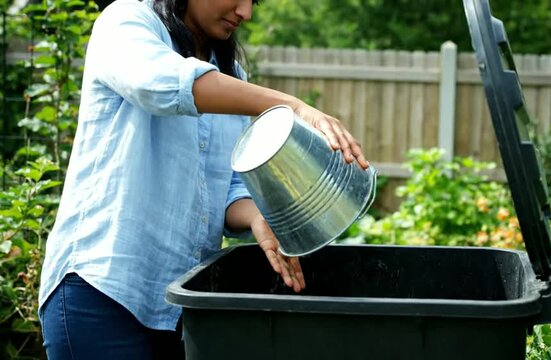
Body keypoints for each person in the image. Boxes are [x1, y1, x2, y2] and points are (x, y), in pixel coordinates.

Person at [38, 0, 369, 358]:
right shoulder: (127, 22)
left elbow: (229, 186)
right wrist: (291, 105)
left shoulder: (231, 75)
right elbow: (160, 85)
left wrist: (259, 219)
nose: (246, 13)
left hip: (182, 303)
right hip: (103, 292)